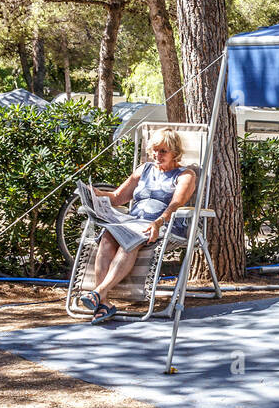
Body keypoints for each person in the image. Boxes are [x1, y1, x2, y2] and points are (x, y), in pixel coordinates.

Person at [77, 128, 197, 324]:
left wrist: (158, 221)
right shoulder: (144, 170)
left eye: (163, 151)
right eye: (154, 150)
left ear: (175, 152)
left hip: (163, 224)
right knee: (107, 237)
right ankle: (103, 302)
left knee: (130, 240)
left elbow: (176, 204)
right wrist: (96, 194)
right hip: (133, 222)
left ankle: (98, 292)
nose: (157, 155)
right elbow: (117, 198)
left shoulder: (185, 175)